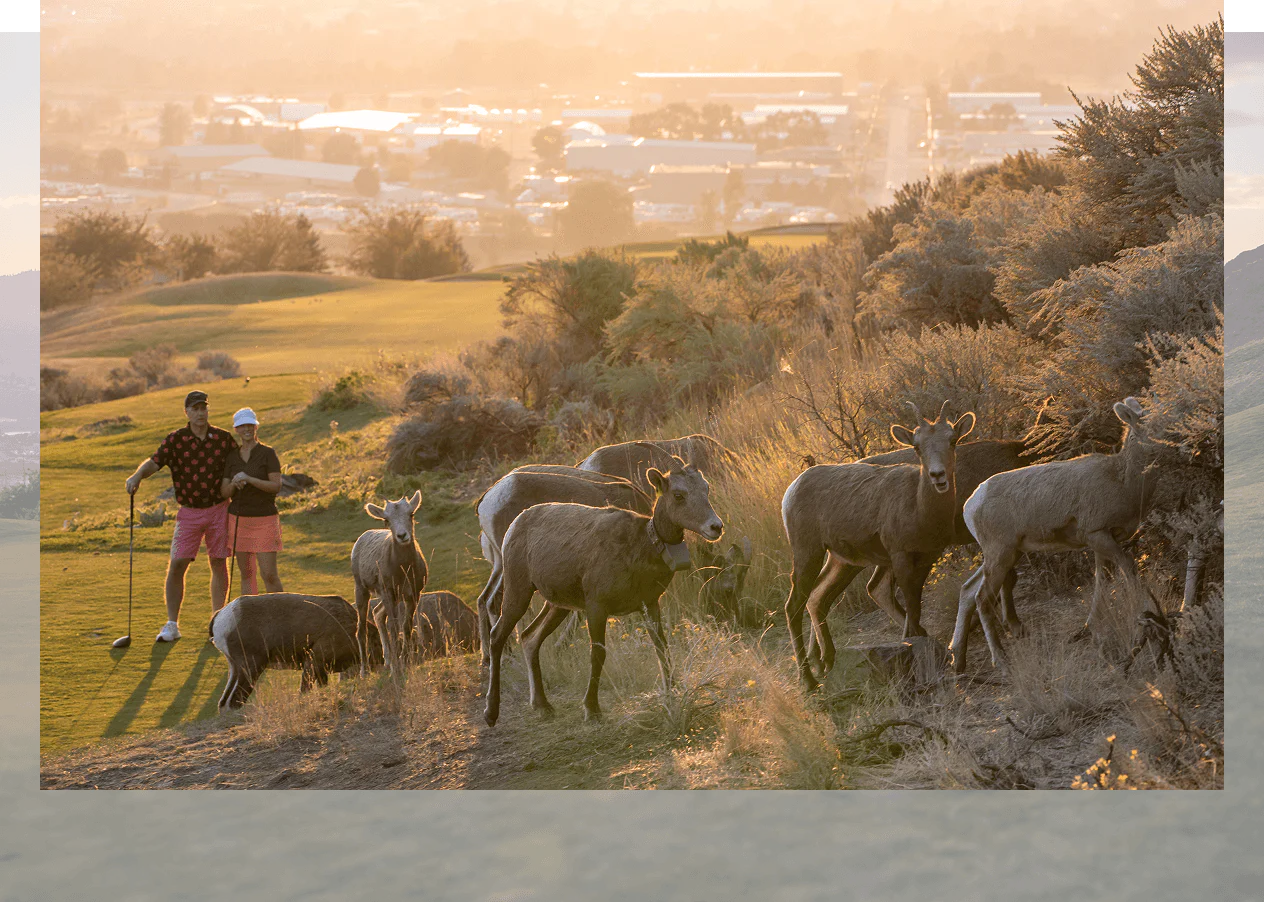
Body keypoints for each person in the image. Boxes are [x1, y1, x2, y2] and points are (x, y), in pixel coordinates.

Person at [125, 390, 236, 642]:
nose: (200, 413)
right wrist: (136, 476)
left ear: (208, 410)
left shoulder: (223, 439)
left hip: (220, 508)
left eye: (204, 408)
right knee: (177, 564)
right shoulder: (176, 440)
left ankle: (217, 625)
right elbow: (154, 463)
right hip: (189, 513)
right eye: (195, 409)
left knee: (219, 563)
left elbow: (238, 464)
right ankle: (172, 625)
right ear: (186, 412)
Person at [221, 407, 285, 596]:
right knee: (246, 575)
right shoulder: (232, 456)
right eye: (242, 426)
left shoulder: (267, 453)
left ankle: (280, 614)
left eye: (250, 425)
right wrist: (234, 483)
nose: (247, 429)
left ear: (256, 427)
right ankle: (251, 618)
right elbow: (224, 492)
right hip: (239, 520)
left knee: (269, 575)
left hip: (264, 519)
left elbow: (276, 486)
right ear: (236, 430)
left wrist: (249, 479)